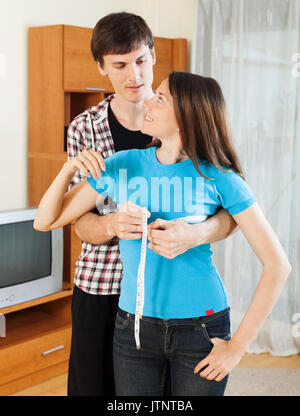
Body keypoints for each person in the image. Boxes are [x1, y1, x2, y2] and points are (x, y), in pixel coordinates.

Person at [34, 71, 291, 396]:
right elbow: (45, 220)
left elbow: (278, 266)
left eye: (160, 98)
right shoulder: (122, 164)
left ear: (186, 116)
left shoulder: (218, 176)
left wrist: (237, 348)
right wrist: (68, 169)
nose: (147, 103)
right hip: (133, 327)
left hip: (201, 327)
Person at [65, 12, 237, 396]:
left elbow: (232, 211)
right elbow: (77, 221)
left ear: (154, 56)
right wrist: (111, 226)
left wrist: (197, 232)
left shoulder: (185, 116)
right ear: (102, 68)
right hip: (102, 285)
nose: (134, 75)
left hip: (168, 296)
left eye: (141, 61)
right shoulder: (84, 129)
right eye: (120, 65)